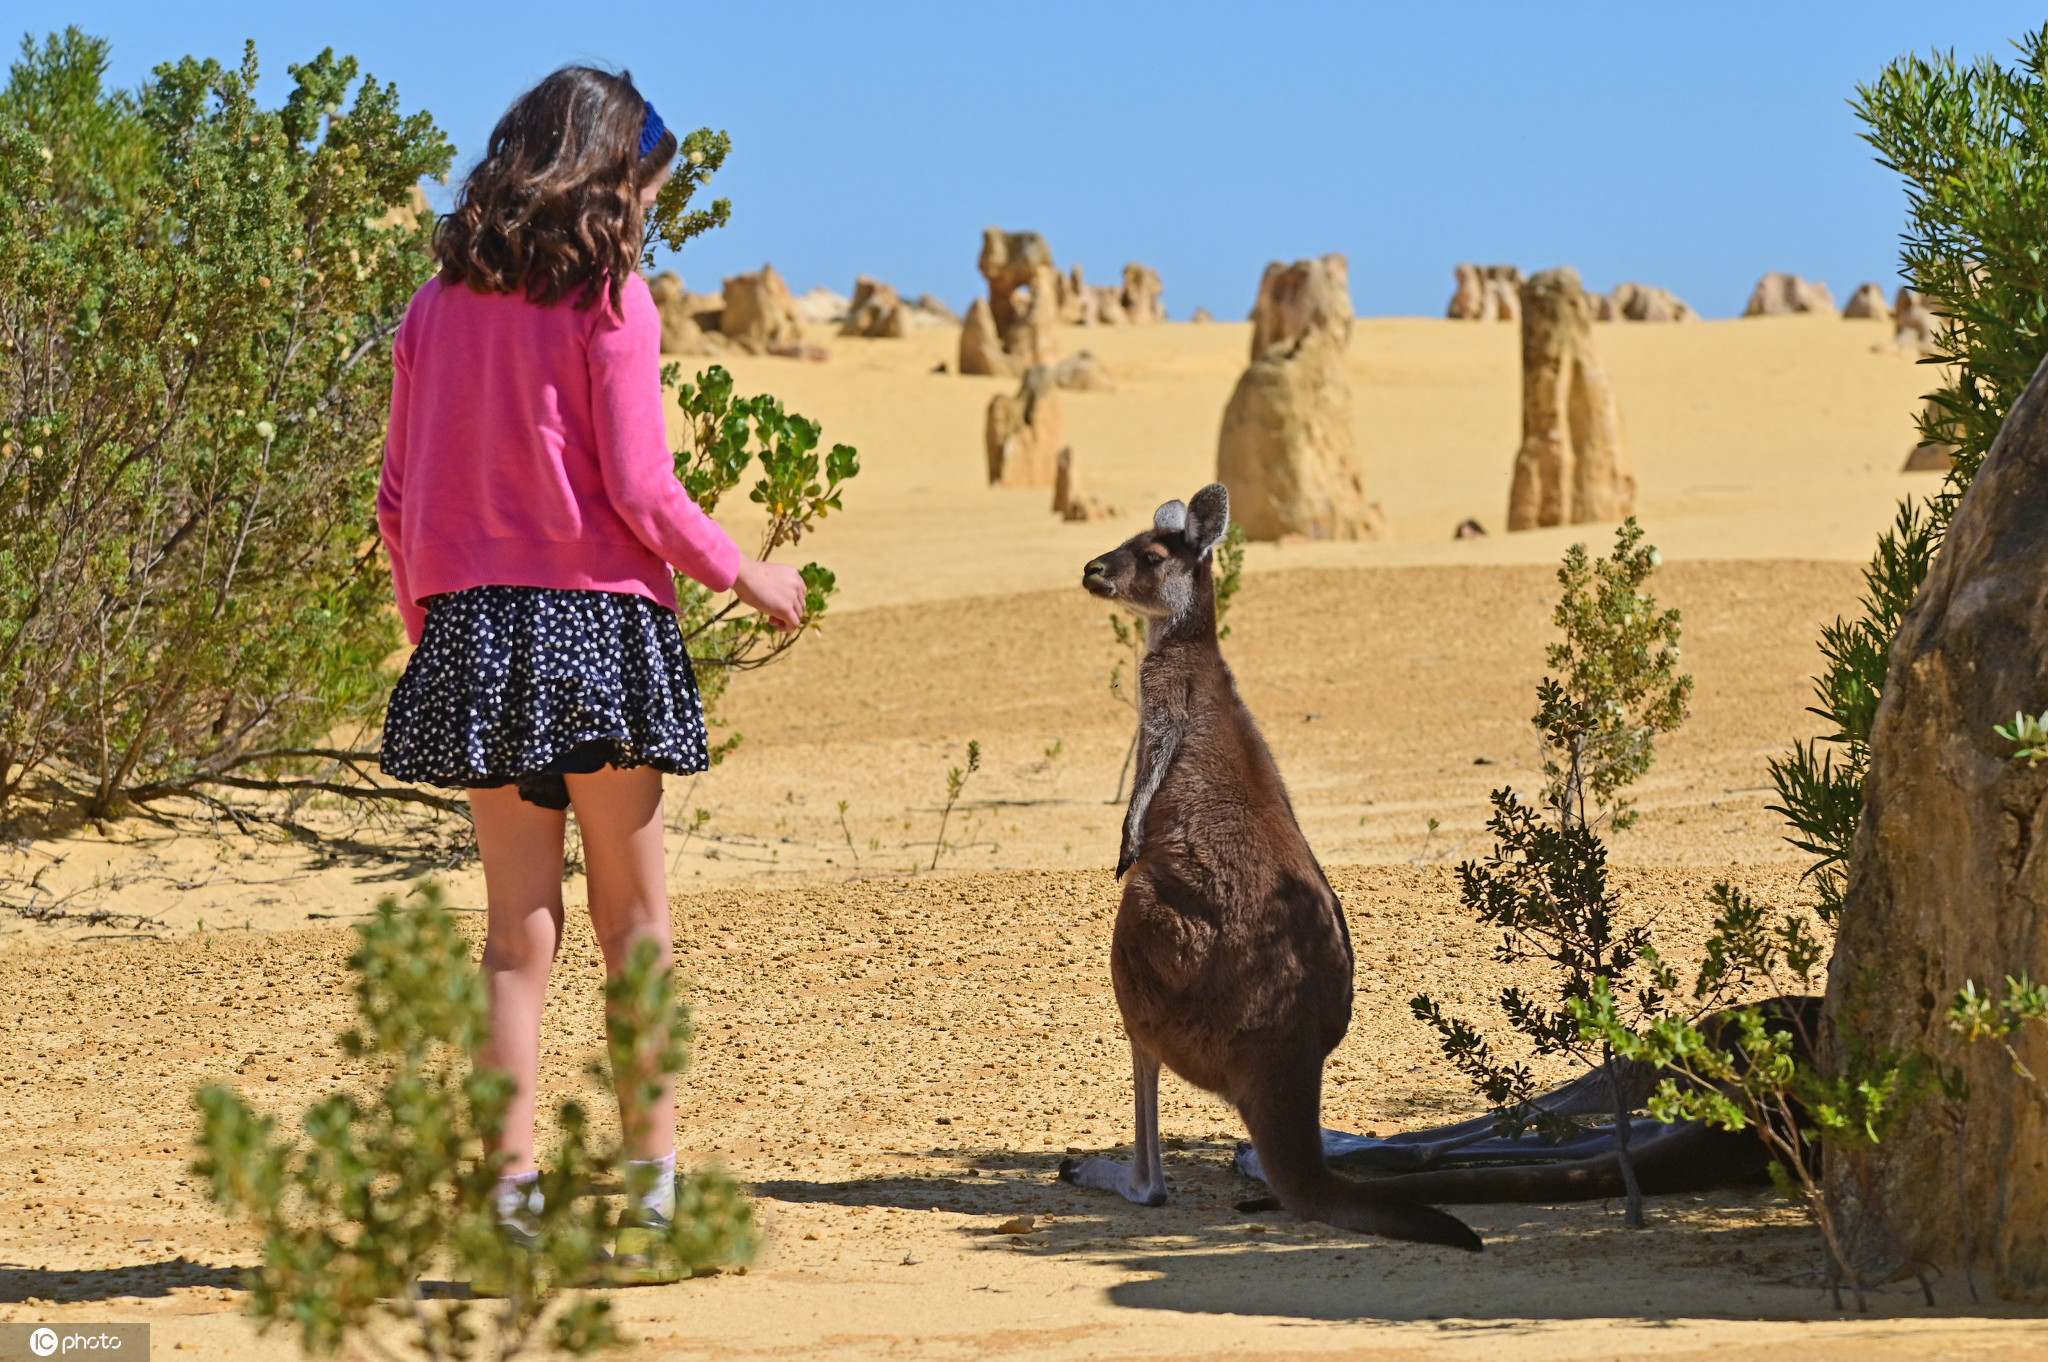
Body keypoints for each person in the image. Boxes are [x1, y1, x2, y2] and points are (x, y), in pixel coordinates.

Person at [376, 65, 806, 1283]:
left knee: (517, 937)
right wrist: (744, 575)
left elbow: (397, 499)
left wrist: (437, 626)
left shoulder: (432, 307)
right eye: (647, 190)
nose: (651, 214)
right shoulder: (612, 303)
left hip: (477, 631)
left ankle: (507, 1207)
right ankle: (652, 1200)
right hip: (598, 630)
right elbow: (639, 488)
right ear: (608, 179)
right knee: (636, 925)